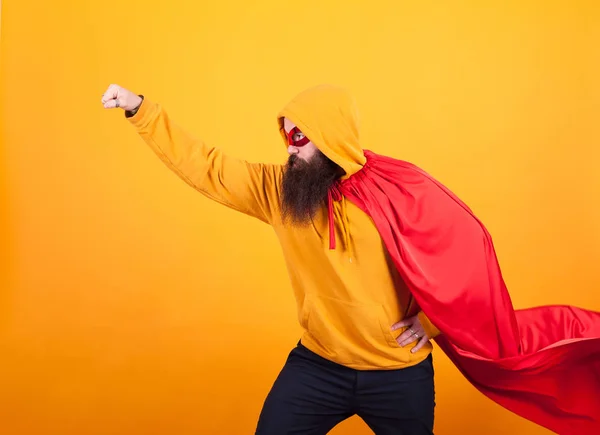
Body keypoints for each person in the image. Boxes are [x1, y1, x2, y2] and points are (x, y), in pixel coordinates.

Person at [101, 84, 600, 435]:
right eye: (287, 136)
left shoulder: (396, 190)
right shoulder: (279, 191)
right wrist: (140, 109)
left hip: (398, 374)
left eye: (301, 136)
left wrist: (432, 321)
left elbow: (463, 258)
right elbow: (205, 166)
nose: (290, 149)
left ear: (334, 135)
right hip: (318, 366)